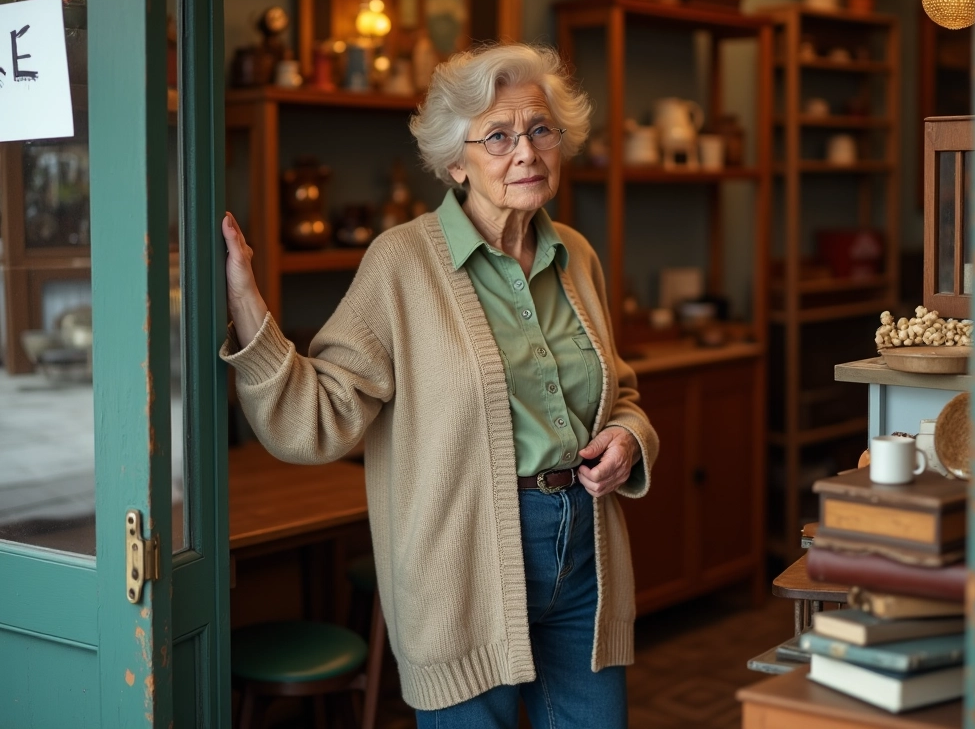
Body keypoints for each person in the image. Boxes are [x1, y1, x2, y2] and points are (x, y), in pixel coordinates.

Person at [219, 43, 658, 728]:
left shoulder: (577, 255)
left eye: (542, 129)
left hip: (586, 553)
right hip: (464, 564)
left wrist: (630, 439)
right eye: (499, 137)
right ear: (457, 162)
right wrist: (248, 308)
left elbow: (620, 394)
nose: (527, 152)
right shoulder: (401, 263)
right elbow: (321, 416)